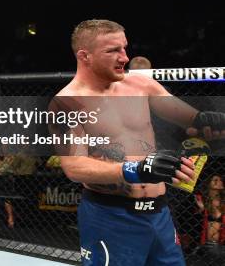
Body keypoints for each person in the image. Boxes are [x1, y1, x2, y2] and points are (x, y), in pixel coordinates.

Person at [52, 19, 225, 266]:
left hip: (159, 214)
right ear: (85, 56)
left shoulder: (140, 84)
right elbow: (74, 167)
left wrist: (210, 120)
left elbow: (191, 118)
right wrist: (137, 169)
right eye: (112, 50)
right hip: (110, 216)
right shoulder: (66, 103)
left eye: (124, 48)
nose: (123, 57)